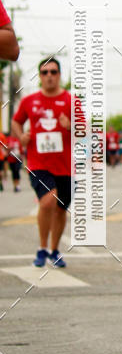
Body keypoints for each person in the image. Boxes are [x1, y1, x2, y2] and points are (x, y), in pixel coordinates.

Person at [11, 58, 76, 268]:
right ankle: (41, 248)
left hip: (65, 165)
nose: (49, 76)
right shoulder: (30, 101)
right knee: (48, 200)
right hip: (38, 163)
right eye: (45, 72)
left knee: (60, 209)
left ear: (59, 75)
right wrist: (21, 136)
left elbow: (85, 132)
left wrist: (70, 126)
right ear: (40, 76)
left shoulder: (71, 101)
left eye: (53, 72)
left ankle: (54, 250)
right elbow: (16, 121)